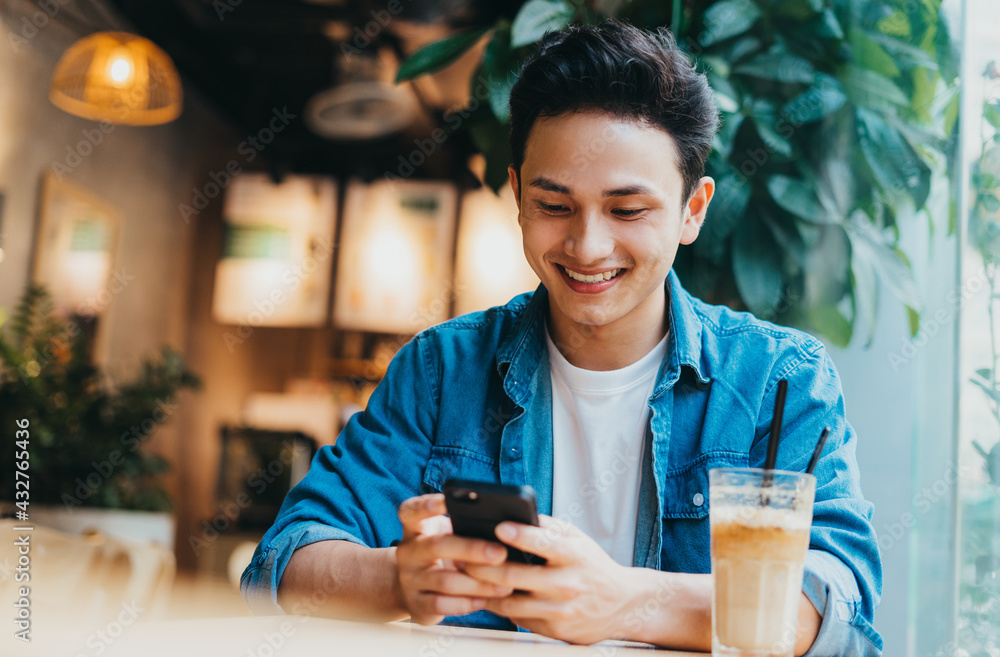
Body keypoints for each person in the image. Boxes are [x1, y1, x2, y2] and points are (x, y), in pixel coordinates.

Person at [241, 21, 882, 656]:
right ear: (517, 196)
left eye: (628, 210)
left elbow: (836, 610)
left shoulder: (781, 379)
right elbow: (281, 569)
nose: (587, 246)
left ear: (693, 210)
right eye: (555, 206)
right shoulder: (442, 370)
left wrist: (623, 601)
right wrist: (399, 579)